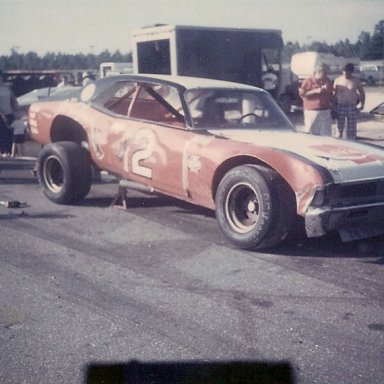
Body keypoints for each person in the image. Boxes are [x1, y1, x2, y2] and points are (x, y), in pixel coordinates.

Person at [299, 63, 333, 136]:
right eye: (325, 73)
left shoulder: (328, 80)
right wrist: (315, 91)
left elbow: (331, 94)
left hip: (325, 111)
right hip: (312, 112)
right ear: (318, 72)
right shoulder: (308, 81)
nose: (326, 75)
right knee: (311, 134)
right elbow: (302, 94)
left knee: (326, 135)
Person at [333, 63, 365, 139]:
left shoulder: (356, 80)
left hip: (352, 106)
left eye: (347, 71)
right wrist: (333, 106)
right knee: (339, 127)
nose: (345, 73)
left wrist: (362, 104)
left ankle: (352, 141)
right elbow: (334, 94)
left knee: (352, 127)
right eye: (344, 71)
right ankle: (339, 142)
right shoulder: (337, 80)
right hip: (340, 106)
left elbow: (362, 93)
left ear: (351, 71)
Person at [0, 70, 18, 156]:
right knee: (2, 133)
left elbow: (13, 98)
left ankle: (10, 152)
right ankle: (2, 151)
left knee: (11, 132)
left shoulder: (7, 87)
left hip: (9, 112)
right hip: (1, 114)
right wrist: (2, 114)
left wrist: (15, 105)